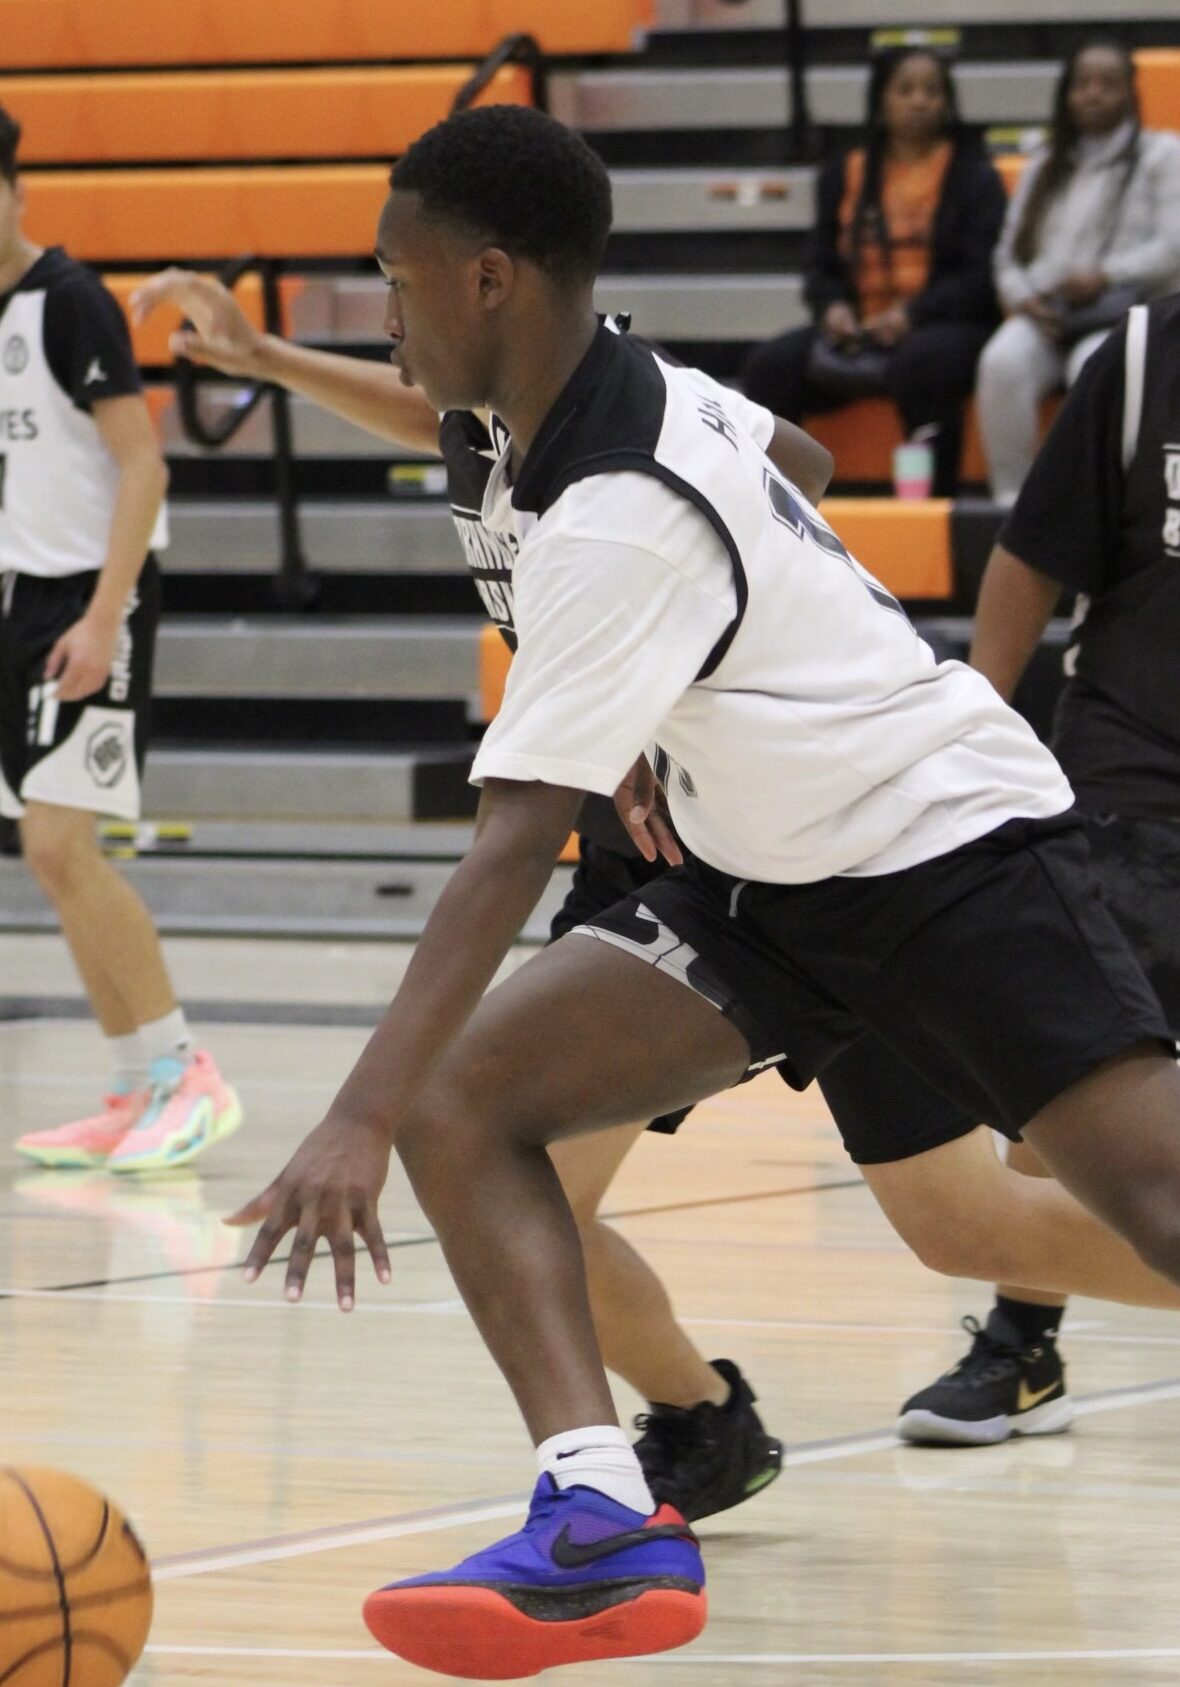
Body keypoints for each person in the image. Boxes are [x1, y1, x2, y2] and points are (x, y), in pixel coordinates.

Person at [137, 113, 1180, 1674]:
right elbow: (804, 466)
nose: (392, 313)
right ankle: (604, 1508)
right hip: (757, 873)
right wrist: (697, 684)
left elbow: (505, 850)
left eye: (397, 282)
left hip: (942, 847)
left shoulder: (619, 502)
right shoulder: (585, 398)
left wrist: (344, 1113)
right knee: (468, 1100)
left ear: (487, 277)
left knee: (1123, 1201)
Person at [897, 292, 1180, 1445]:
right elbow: (1027, 561)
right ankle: (1023, 1339)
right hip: (1132, 770)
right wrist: (963, 728)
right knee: (1077, 1062)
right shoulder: (1150, 352)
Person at [0, 106, 241, 1173]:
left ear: (14, 192)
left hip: (94, 596)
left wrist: (105, 613)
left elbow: (143, 466)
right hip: (21, 596)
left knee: (58, 841)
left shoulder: (70, 302)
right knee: (53, 857)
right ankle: (137, 1079)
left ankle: (187, 1072)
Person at [742, 46, 1004, 496]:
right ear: (881, 101)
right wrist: (833, 309)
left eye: (932, 91)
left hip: (944, 328)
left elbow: (979, 279)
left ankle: (927, 505)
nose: (920, 101)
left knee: (922, 364)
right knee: (770, 365)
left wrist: (911, 317)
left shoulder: (975, 177)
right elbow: (819, 267)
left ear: (948, 103)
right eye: (906, 90)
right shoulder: (844, 174)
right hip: (860, 328)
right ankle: (771, 500)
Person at [978, 39, 1180, 504]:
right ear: (1066, 94)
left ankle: (1088, 507)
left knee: (1092, 364)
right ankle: (1012, 506)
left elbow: (1172, 247)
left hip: (1124, 314)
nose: (1093, 94)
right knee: (1002, 360)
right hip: (1047, 313)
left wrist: (1104, 276)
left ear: (1130, 92)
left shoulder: (1162, 156)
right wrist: (1024, 299)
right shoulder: (1044, 165)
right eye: (1083, 83)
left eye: (1107, 84)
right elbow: (1006, 255)